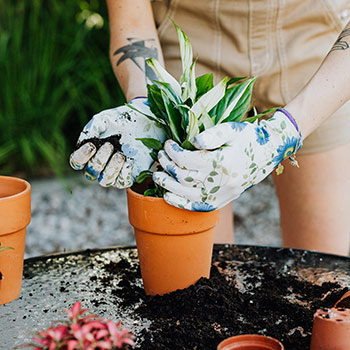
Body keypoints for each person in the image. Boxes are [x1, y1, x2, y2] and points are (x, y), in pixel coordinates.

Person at [70, 0, 350, 256]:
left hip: (318, 46)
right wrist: (148, 103)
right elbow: (131, 19)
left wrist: (284, 131)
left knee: (321, 276)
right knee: (197, 281)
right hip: (192, 46)